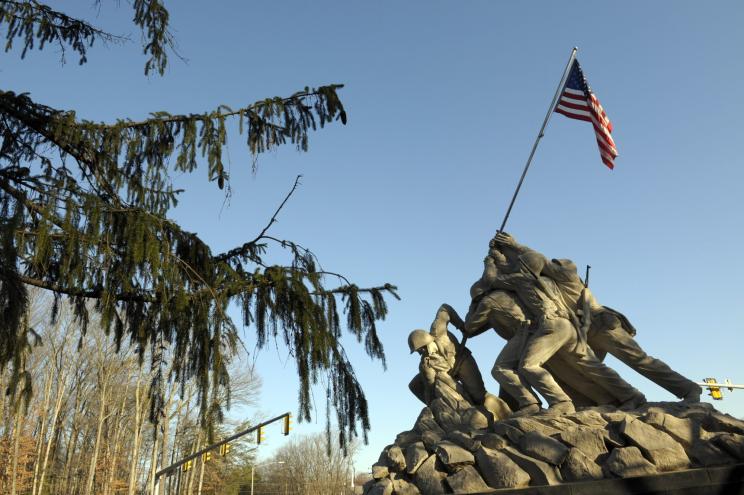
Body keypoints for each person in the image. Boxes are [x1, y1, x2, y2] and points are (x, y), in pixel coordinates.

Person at [485, 232, 645, 415]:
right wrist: (505, 251)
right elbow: (528, 262)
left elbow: (492, 280)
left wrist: (491, 261)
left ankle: (561, 402)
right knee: (591, 367)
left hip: (554, 326)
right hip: (568, 327)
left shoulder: (520, 279)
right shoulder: (542, 279)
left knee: (528, 365)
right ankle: (631, 395)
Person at [408, 304, 487, 406]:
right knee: (414, 385)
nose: (419, 353)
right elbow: (429, 388)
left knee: (479, 396)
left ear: (424, 345)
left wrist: (461, 326)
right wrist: (432, 405)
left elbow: (445, 308)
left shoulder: (437, 329)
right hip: (448, 375)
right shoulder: (425, 362)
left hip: (462, 361)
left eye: (419, 350)